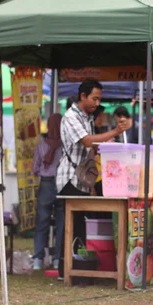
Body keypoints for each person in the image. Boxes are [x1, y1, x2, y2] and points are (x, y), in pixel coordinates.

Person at [57, 80, 132, 239]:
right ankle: (69, 261)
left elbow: (94, 147)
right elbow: (87, 141)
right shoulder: (71, 117)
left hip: (84, 178)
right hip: (71, 177)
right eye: (94, 99)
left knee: (80, 225)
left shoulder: (88, 118)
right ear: (83, 96)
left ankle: (78, 261)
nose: (97, 103)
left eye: (99, 100)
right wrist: (115, 131)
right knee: (74, 226)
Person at [32, 113, 64, 270]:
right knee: (61, 224)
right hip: (62, 185)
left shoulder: (41, 145)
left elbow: (35, 169)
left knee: (42, 223)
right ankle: (58, 259)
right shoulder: (66, 146)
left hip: (45, 184)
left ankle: (38, 259)